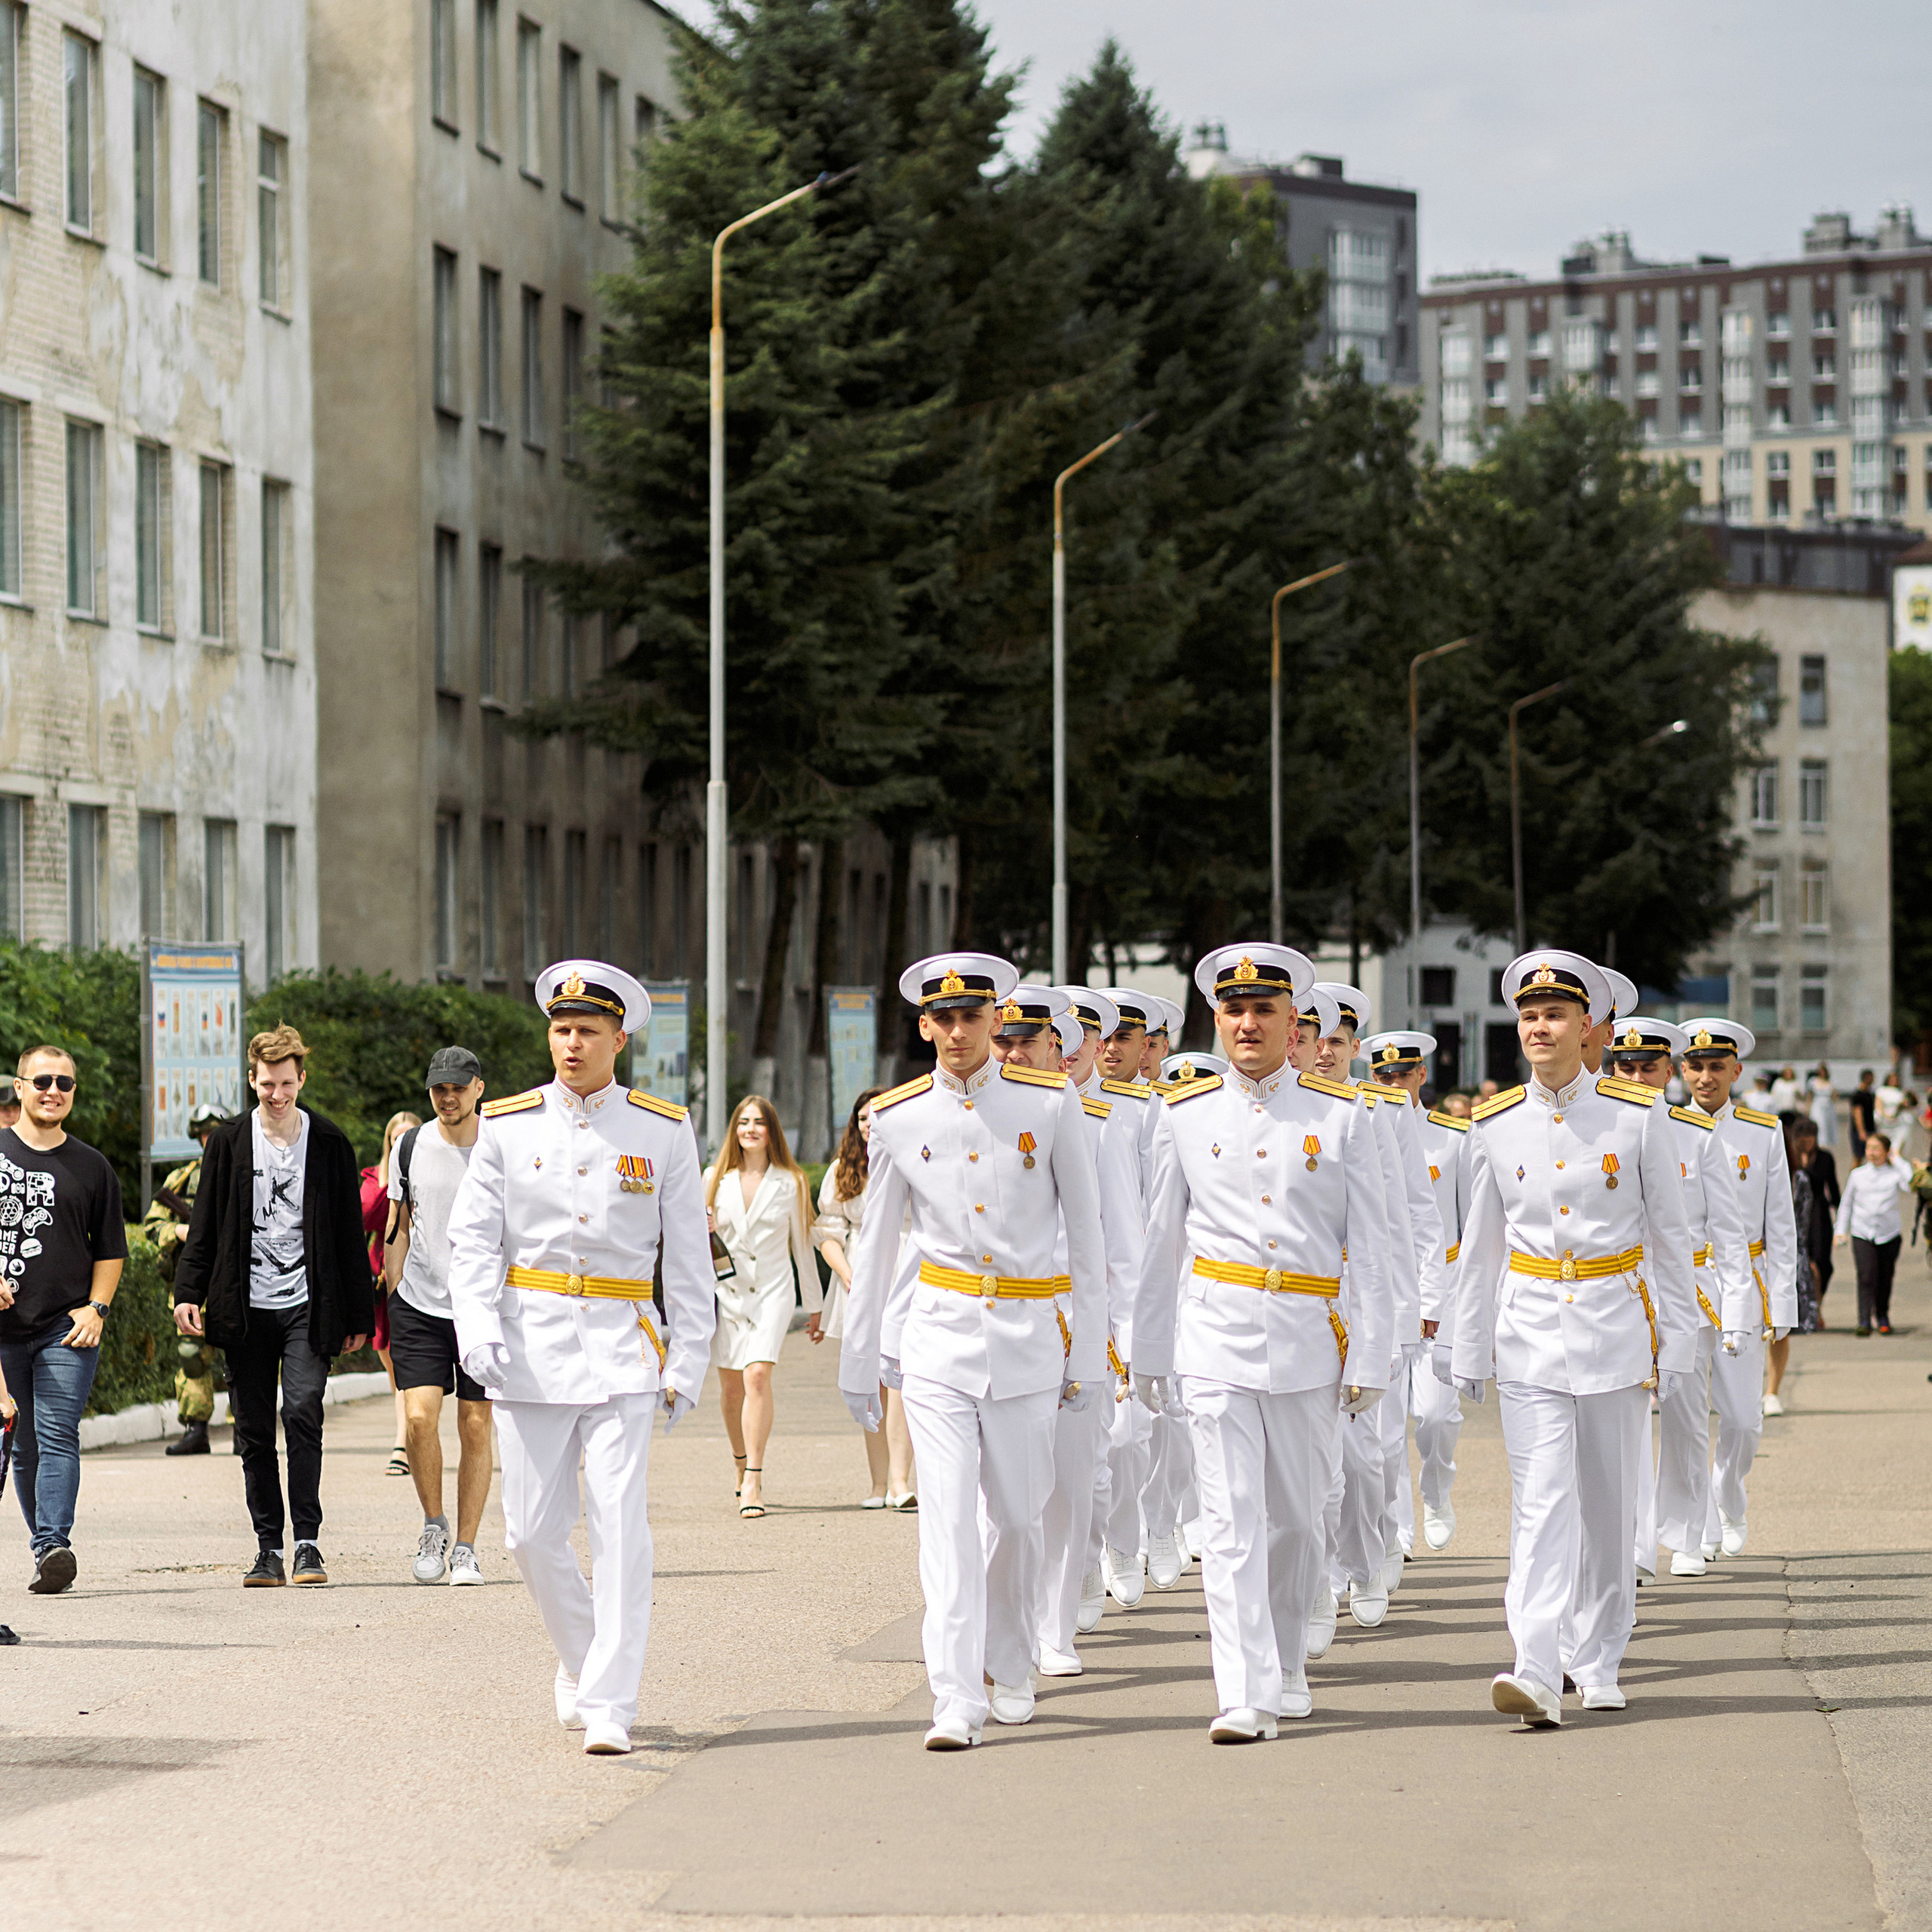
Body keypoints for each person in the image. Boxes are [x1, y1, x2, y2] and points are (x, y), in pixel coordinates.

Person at [838, 952, 1106, 1750]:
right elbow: (878, 1244)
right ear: (924, 1026)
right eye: (941, 1019)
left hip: (1027, 1339)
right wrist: (861, 1360)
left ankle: (1012, 1658)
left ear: (996, 1022)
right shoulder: (897, 1115)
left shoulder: (1051, 1101)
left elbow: (1087, 1240)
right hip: (939, 1338)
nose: (956, 1032)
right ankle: (954, 1695)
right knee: (947, 1524)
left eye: (970, 1018)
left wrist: (1087, 1353)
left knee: (1020, 1520)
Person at [448, 960, 713, 1755]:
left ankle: (611, 1701)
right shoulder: (508, 1123)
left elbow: (691, 1259)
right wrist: (477, 1327)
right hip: (529, 1343)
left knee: (619, 1524)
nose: (571, 1043)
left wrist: (688, 1359)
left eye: (587, 1031)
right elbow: (471, 1240)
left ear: (618, 1039)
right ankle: (584, 1653)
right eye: (561, 1029)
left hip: (625, 1345)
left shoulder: (661, 1128)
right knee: (529, 1532)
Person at [1133, 945, 1394, 1739]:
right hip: (1214, 1334)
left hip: (1310, 1338)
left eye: (1264, 1012)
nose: (1248, 1024)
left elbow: (1376, 1245)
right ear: (1218, 1018)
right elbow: (1157, 1243)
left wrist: (1374, 1353)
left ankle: (1284, 1661)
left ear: (1294, 1025)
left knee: (1298, 1520)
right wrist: (1147, 1352)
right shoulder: (1182, 1112)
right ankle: (1242, 1689)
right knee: (1230, 1517)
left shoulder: (1341, 1116)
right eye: (1234, 1011)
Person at [1451, 953, 1697, 1725]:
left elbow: (1670, 1236)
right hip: (1527, 1331)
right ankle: (1534, 1663)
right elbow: (1480, 1244)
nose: (1538, 1027)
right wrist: (1467, 1347)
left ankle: (1599, 1656)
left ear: (1585, 1026)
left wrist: (1679, 1347)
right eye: (1528, 1016)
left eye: (1554, 1015)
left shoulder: (1635, 1116)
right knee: (1541, 1503)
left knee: (1608, 1502)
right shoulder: (1492, 1124)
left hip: (1614, 1325)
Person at [173, 1026, 372, 1587]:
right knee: (254, 1431)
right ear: (251, 1081)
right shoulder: (232, 1142)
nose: (277, 1095)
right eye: (266, 1085)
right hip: (245, 1307)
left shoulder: (329, 1142)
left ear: (301, 1079)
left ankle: (307, 1542)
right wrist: (188, 1292)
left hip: (308, 1303)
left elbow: (347, 1234)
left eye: (287, 1084)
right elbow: (204, 1225)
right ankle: (268, 1548)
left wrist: (359, 1313)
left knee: (303, 1410)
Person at [1606, 1017, 1750, 1581]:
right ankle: (1636, 1545)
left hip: (1687, 1292)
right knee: (1626, 1424)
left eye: (1649, 1067)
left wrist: (1738, 1312)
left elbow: (1730, 1233)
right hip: (1618, 1290)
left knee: (1688, 1420)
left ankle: (1688, 1532)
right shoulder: (1598, 1129)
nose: (1638, 1077)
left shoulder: (1696, 1135)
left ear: (1670, 1071)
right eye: (1627, 1066)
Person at [0, 1046, 127, 1595]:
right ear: (21, 1088)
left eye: (66, 1083)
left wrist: (97, 1308)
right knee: (23, 1445)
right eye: (44, 1080)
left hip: (63, 1327)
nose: (55, 1090)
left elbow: (112, 1249)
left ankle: (53, 1544)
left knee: (56, 1435)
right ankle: (45, 1546)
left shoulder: (92, 1166)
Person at [1676, 1017, 1798, 1562]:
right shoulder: (1662, 1127)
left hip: (1740, 1284)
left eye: (1716, 1067)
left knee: (1745, 1418)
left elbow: (1781, 1226)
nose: (1706, 1077)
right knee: (1684, 1414)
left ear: (1736, 1071)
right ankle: (1697, 1526)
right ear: (1682, 1070)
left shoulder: (1762, 1130)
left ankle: (1730, 1493)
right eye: (1696, 1066)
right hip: (1681, 1282)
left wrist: (1784, 1301)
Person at [386, 1048, 493, 1585]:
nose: (447, 1098)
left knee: (475, 1424)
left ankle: (468, 1548)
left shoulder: (501, 1146)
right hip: (420, 1303)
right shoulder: (409, 1146)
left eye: (457, 1088)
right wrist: (391, 1291)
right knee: (419, 1419)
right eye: (438, 1089)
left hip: (483, 1305)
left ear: (478, 1088)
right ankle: (435, 1525)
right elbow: (399, 1225)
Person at [1367, 1029, 1468, 1557]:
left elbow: (1469, 1227)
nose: (1392, 1083)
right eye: (1382, 1075)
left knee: (1434, 1415)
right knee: (1384, 1427)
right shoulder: (1362, 1129)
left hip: (1440, 1288)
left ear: (1420, 1076)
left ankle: (1437, 1492)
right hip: (1383, 1290)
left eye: (1401, 1075)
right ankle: (1397, 1531)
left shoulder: (1452, 1138)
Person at [706, 1094, 817, 1519]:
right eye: (743, 1122)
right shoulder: (714, 1177)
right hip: (728, 1296)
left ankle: (754, 1476)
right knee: (731, 1389)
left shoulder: (792, 1181)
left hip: (773, 1291)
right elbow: (699, 1243)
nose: (750, 1129)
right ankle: (739, 1462)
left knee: (756, 1377)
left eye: (759, 1122)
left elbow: (802, 1246)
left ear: (772, 1130)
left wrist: (815, 1306)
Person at [816, 1088, 914, 1509]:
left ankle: (899, 1481)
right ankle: (878, 1484)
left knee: (902, 1378)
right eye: (861, 1118)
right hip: (858, 1274)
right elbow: (828, 1232)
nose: (869, 1124)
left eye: (877, 1116)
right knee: (871, 1379)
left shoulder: (913, 1158)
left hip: (907, 1271)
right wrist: (850, 1275)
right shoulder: (842, 1170)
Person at [145, 1102, 229, 1456]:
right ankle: (197, 1429)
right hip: (193, 1289)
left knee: (246, 1359)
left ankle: (248, 1430)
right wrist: (180, 1230)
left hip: (235, 1288)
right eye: (205, 1134)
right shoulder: (180, 1179)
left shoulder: (244, 1172)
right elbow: (153, 1224)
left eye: (216, 1132)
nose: (210, 1140)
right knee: (191, 1354)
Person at [363, 1110, 421, 1478]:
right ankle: (410, 1435)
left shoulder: (434, 1172)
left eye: (409, 1137)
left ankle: (403, 1443)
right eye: (395, 1138)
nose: (402, 1144)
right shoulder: (375, 1177)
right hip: (384, 1281)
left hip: (422, 1278)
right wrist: (392, 1178)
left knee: (407, 1365)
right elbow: (367, 1215)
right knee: (394, 1367)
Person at [1834, 1132, 1919, 1336]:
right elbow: (1846, 1204)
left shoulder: (1894, 1173)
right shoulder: (1858, 1174)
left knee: (1884, 1277)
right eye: (1868, 1148)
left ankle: (1882, 1315)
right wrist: (1840, 1231)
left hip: (1889, 1234)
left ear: (1886, 1152)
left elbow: (1911, 1184)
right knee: (1866, 1276)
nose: (1871, 1153)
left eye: (1876, 1149)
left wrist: (1897, 1159)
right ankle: (1863, 1319)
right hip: (1862, 1232)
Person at [1849, 1071, 1877, 1164]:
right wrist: (1861, 1131)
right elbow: (1857, 1113)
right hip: (1860, 1130)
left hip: (1870, 1128)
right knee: (1858, 1158)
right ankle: (1852, 1177)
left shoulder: (1870, 1094)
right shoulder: (1858, 1095)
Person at [1808, 1063, 1838, 1150]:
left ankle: (1825, 1143)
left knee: (1826, 1124)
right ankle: (1819, 1142)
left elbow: (1834, 1096)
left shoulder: (1830, 1083)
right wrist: (1808, 1108)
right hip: (1818, 1104)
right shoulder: (1813, 1082)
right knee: (1819, 1122)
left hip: (1828, 1105)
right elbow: (1810, 1096)